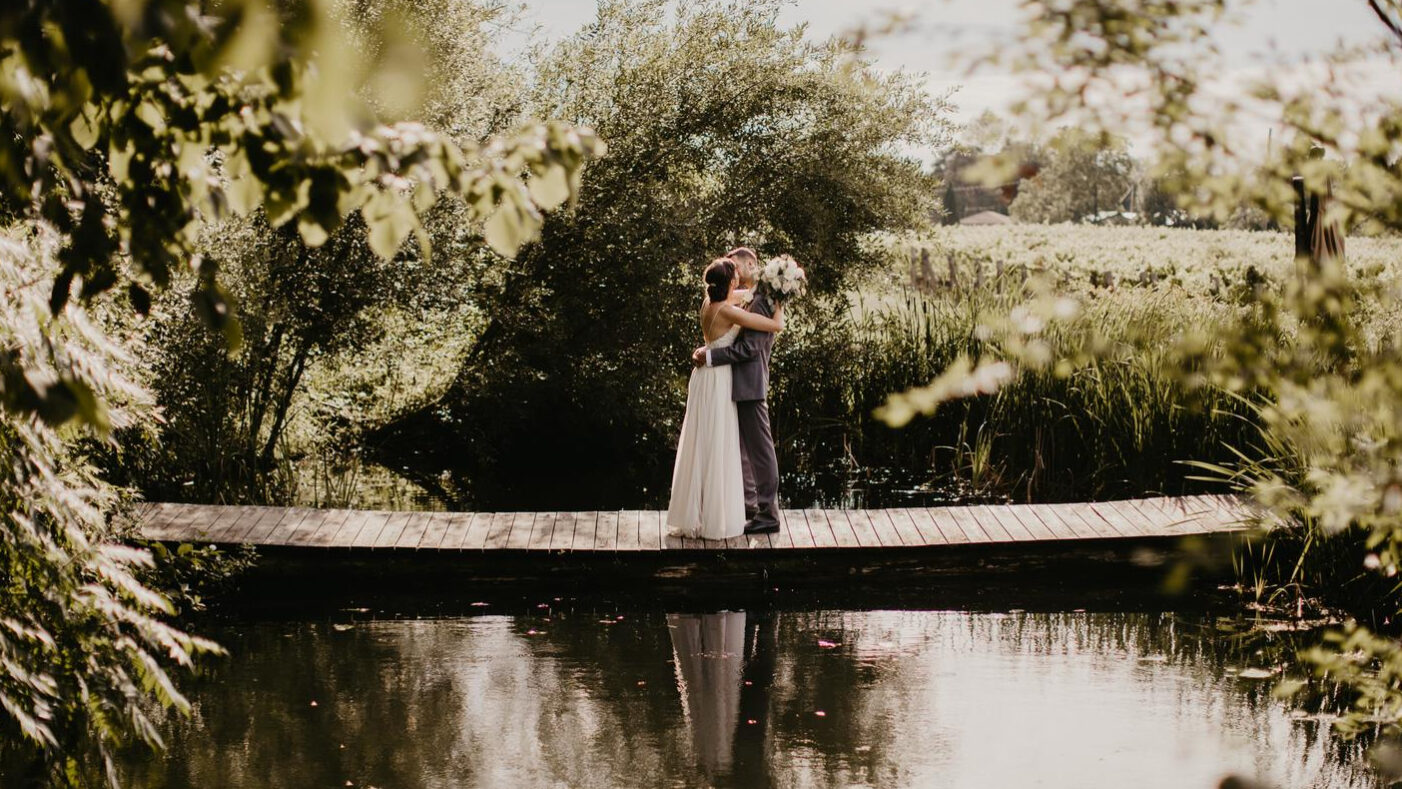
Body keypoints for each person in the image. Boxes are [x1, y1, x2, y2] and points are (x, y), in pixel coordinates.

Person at [666, 258, 784, 540]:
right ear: (731, 281)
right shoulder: (731, 310)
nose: (739, 277)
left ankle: (740, 511)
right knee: (721, 445)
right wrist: (779, 305)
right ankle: (733, 511)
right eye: (733, 274)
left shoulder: (710, 303)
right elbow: (773, 327)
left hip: (712, 379)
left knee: (710, 444)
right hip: (720, 380)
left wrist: (779, 292)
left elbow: (749, 339)